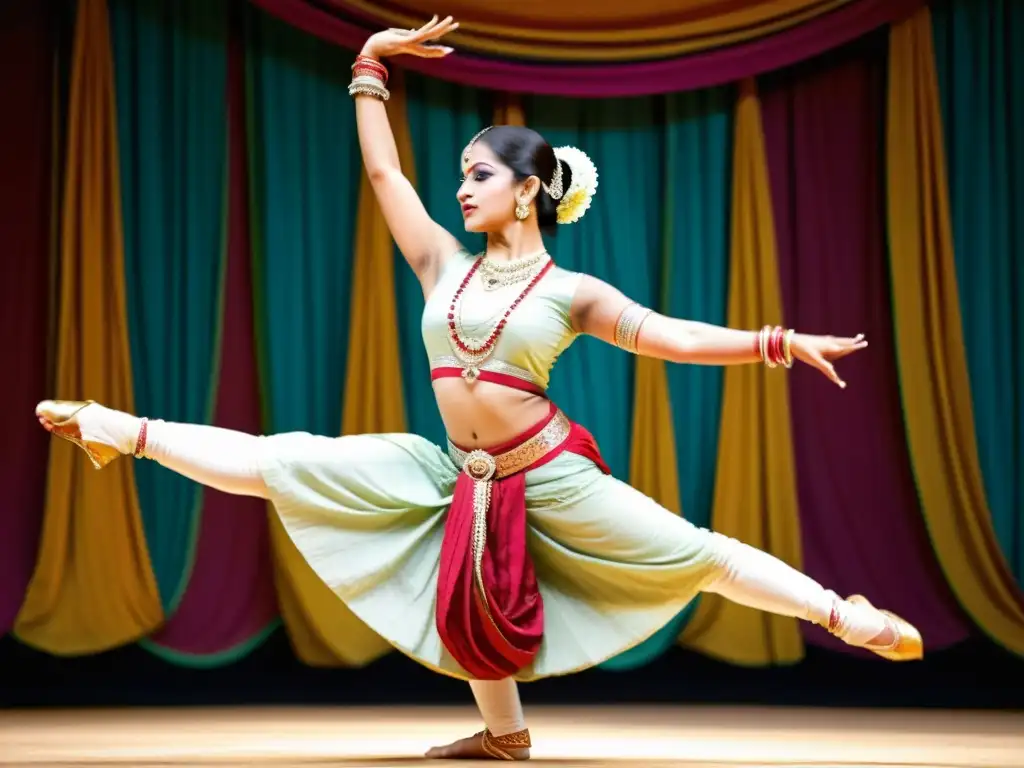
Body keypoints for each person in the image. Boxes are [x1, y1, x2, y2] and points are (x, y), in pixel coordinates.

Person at [35, 14, 922, 762]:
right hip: (449, 468)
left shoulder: (573, 292)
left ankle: (843, 614)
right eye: (460, 175)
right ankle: (125, 429)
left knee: (697, 553)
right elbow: (385, 177)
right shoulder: (439, 265)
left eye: (479, 175)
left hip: (549, 477)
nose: (461, 189)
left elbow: (673, 337)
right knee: (291, 464)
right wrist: (370, 68)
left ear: (528, 192)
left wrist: (776, 342)